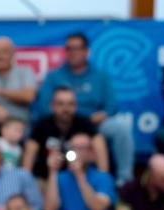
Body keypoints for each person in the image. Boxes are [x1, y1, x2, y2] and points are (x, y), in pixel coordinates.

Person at [34, 33, 134, 185]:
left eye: (77, 48)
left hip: (93, 123)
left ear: (86, 51)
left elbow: (112, 106)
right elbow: (44, 105)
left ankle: (122, 181)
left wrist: (103, 115)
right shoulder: (54, 76)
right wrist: (63, 115)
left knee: (120, 128)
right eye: (69, 48)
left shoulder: (100, 76)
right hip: (63, 123)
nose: (72, 52)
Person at [42, 131, 116, 210]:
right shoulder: (59, 178)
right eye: (73, 147)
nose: (76, 152)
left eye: (82, 148)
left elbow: (98, 209)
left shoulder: (103, 178)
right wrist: (52, 172)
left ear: (92, 153)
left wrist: (80, 176)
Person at [23, 86, 108, 181]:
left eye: (71, 104)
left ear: (76, 106)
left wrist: (103, 177)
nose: (66, 108)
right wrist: (26, 181)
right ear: (52, 106)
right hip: (45, 178)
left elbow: (99, 144)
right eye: (60, 104)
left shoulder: (84, 123)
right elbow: (30, 151)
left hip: (77, 180)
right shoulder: (42, 125)